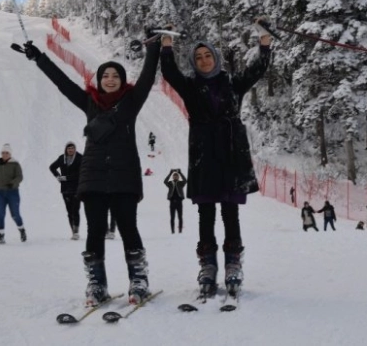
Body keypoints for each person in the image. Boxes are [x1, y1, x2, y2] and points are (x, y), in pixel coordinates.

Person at [21, 29, 160, 306]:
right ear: (99, 80)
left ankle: (138, 280)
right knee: (95, 230)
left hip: (124, 177)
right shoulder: (89, 102)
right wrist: (39, 58)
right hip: (93, 177)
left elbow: (146, 76)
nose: (110, 79)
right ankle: (96, 284)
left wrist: (154, 46)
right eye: (105, 75)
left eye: (115, 76)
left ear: (122, 81)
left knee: (128, 228)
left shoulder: (131, 102)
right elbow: (62, 83)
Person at [159, 18, 272, 298]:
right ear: (194, 62)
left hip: (232, 152)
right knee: (205, 214)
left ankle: (233, 264)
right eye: (198, 57)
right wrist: (166, 46)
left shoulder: (232, 82)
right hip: (203, 155)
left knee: (230, 213)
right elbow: (170, 73)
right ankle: (207, 266)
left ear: (216, 57)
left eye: (208, 55)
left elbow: (257, 70)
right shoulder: (190, 86)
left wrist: (265, 44)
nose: (204, 60)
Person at [49, 141, 83, 240]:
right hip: (65, 189)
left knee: (76, 210)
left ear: (75, 149)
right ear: (66, 149)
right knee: (69, 211)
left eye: (72, 148)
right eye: (69, 148)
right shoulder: (61, 158)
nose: (70, 150)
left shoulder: (80, 158)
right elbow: (52, 167)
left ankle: (76, 232)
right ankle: (73, 230)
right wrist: (58, 176)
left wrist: (66, 177)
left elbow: (80, 173)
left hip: (77, 188)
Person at [164, 169, 187, 234]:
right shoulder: (170, 183)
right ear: (173, 177)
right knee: (172, 217)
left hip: (179, 202)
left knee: (180, 217)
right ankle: (172, 231)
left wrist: (180, 173)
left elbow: (185, 180)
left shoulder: (180, 183)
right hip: (172, 202)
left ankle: (180, 230)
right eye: (174, 176)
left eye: (176, 176)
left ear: (178, 177)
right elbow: (165, 181)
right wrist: (170, 173)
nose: (175, 177)